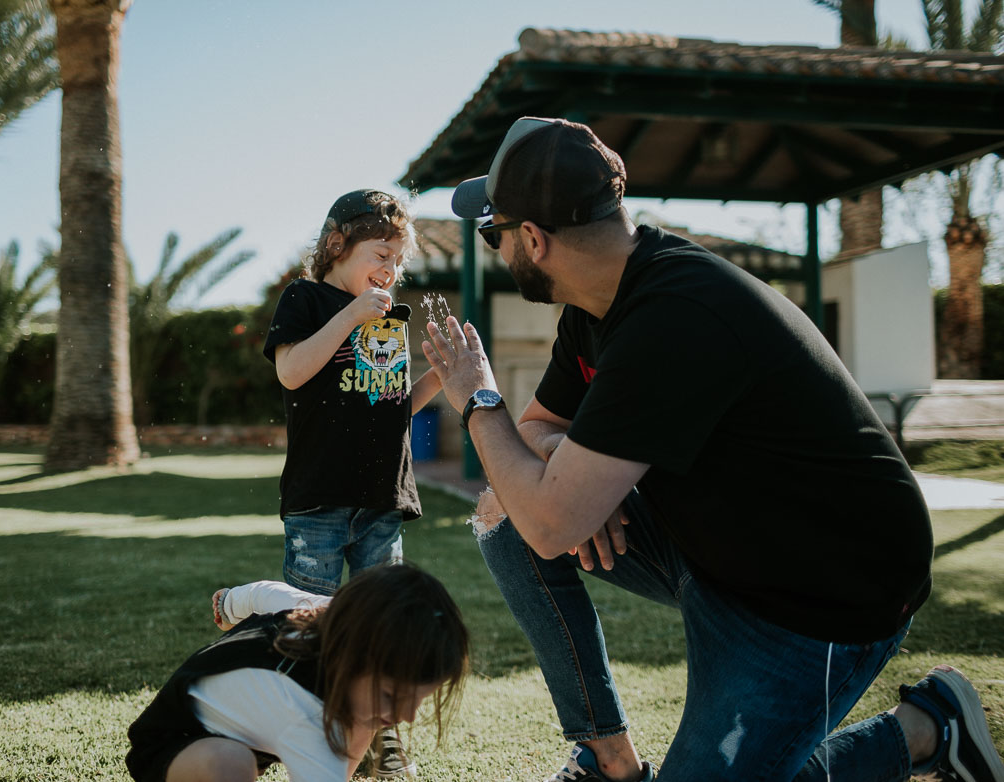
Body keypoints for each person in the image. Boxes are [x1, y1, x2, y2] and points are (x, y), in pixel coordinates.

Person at [421, 116, 1004, 782]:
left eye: (492, 233)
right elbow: (538, 434)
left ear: (532, 239)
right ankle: (608, 760)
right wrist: (572, 477)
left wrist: (476, 398)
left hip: (820, 595)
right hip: (718, 552)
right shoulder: (595, 305)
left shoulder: (675, 317)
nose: (494, 248)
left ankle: (926, 730)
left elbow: (551, 517)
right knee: (506, 508)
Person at [261, 191, 443, 777]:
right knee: (311, 621)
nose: (391, 269)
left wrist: (443, 371)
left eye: (398, 260)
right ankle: (310, 728)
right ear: (338, 245)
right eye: (381, 253)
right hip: (319, 499)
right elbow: (291, 371)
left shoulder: (390, 316)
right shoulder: (305, 298)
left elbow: (389, 405)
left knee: (384, 627)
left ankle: (381, 740)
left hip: (383, 500)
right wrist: (351, 315)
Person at [125, 562, 469, 782]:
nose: (406, 716)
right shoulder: (302, 710)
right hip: (175, 749)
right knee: (229, 763)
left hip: (252, 729)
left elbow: (265, 594)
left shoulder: (330, 614)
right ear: (349, 653)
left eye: (419, 700)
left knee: (369, 714)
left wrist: (232, 604)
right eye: (392, 696)